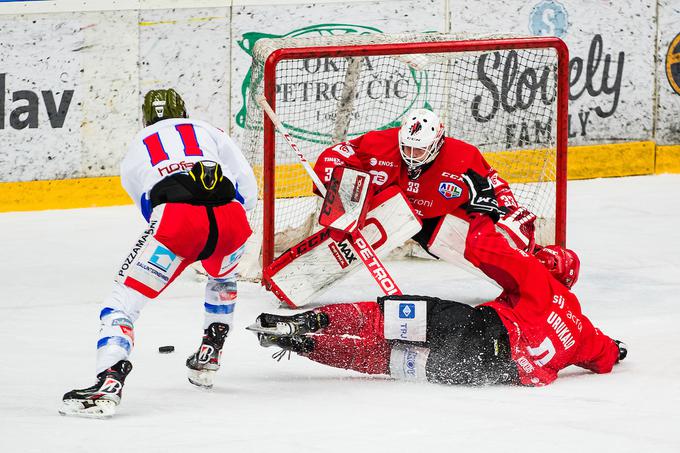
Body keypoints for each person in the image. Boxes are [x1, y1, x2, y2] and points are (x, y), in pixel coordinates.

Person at [250, 170, 626, 386]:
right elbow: (605, 356)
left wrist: (482, 211)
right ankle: (303, 347)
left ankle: (306, 323)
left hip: (481, 330)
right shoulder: (582, 331)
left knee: (389, 317)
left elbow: (486, 248)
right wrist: (616, 348)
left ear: (551, 271)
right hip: (489, 371)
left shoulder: (539, 281)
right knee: (385, 359)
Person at [60, 89, 258, 418]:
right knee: (223, 277)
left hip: (178, 222)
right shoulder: (210, 130)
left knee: (122, 302)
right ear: (184, 110)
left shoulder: (139, 143)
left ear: (146, 117)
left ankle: (109, 381)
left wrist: (183, 238)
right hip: (232, 219)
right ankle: (211, 351)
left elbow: (148, 202)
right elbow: (247, 187)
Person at [264, 108, 538, 308]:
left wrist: (507, 210)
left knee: (479, 252)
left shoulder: (463, 156)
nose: (411, 156)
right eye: (406, 147)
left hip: (439, 218)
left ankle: (531, 281)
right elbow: (335, 155)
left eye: (418, 151)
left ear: (437, 143)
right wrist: (344, 193)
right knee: (356, 232)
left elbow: (494, 183)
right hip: (388, 209)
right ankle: (296, 277)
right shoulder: (378, 143)